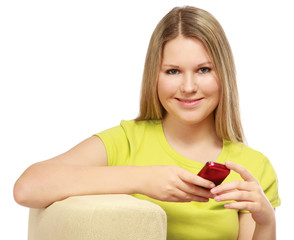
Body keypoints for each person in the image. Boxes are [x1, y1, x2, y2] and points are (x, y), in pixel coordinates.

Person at [14, 6, 280, 240]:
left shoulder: (254, 167)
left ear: (224, 74)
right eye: (173, 71)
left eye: (203, 70)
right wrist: (144, 179)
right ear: (155, 75)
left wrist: (266, 219)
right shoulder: (127, 141)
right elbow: (28, 188)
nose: (188, 87)